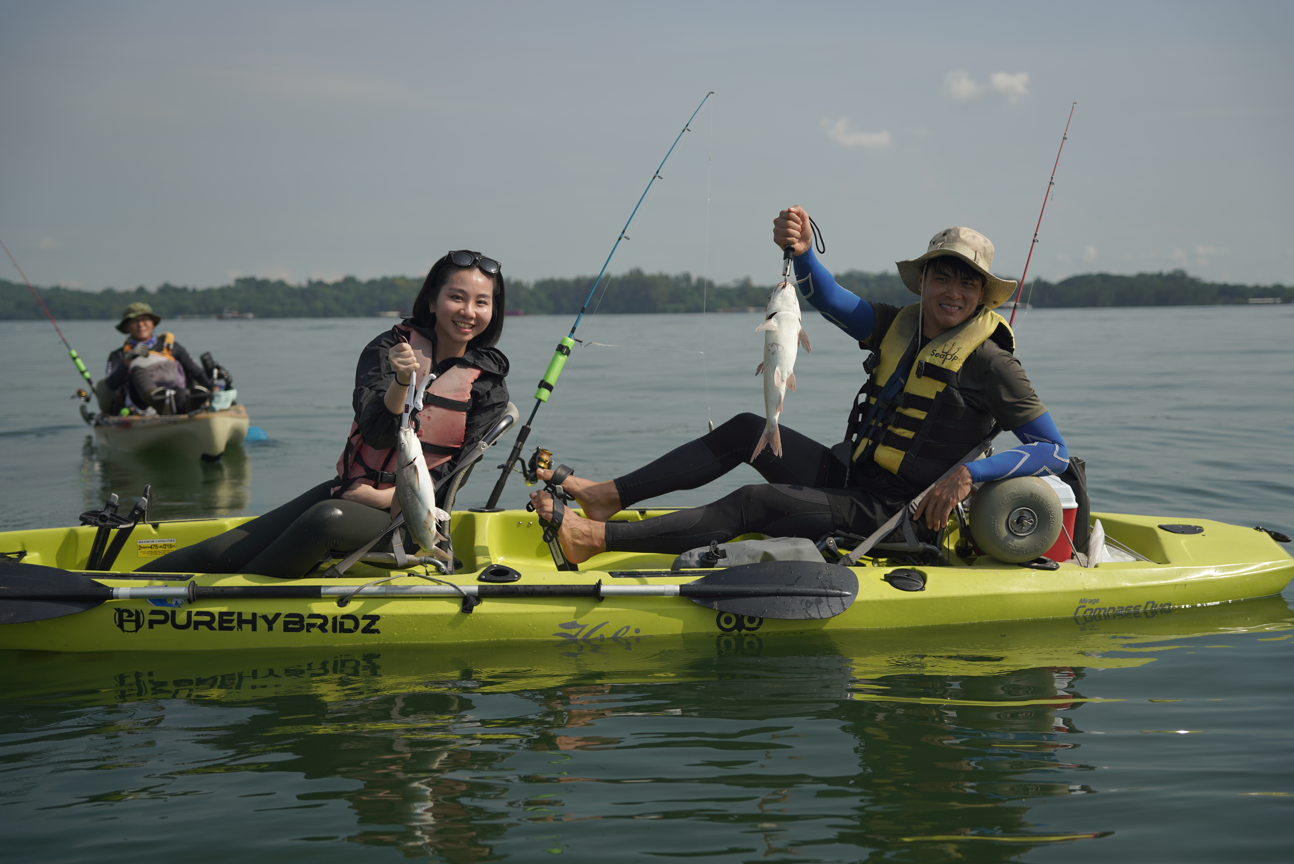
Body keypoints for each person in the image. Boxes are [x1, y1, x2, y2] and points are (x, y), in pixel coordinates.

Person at [530, 207, 1069, 564]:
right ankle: (607, 498)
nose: (953, 290)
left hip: (899, 516)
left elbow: (1054, 452)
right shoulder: (896, 325)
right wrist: (804, 249)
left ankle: (594, 540)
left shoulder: (993, 364)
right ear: (923, 281)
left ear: (982, 296)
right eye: (942, 276)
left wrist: (970, 474)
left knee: (756, 502)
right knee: (746, 429)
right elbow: (830, 299)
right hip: (853, 478)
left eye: (967, 280)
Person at [138, 250, 510, 578]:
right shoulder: (388, 348)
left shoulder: (488, 386)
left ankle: (230, 604)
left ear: (493, 312)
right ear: (432, 301)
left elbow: (452, 475)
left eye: (482, 302)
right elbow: (378, 433)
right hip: (349, 488)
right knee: (217, 551)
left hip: (413, 519)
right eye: (456, 297)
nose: (468, 312)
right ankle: (103, 585)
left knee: (323, 521)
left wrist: (384, 498)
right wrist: (400, 379)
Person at [98, 302, 215, 415]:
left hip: (175, 395)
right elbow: (110, 385)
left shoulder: (172, 347)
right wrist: (127, 361)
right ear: (126, 326)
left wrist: (215, 389)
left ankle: (190, 404)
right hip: (140, 405)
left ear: (153, 323)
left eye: (145, 319)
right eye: (134, 321)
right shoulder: (118, 355)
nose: (140, 324)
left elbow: (197, 372)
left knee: (182, 395)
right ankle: (158, 401)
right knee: (138, 368)